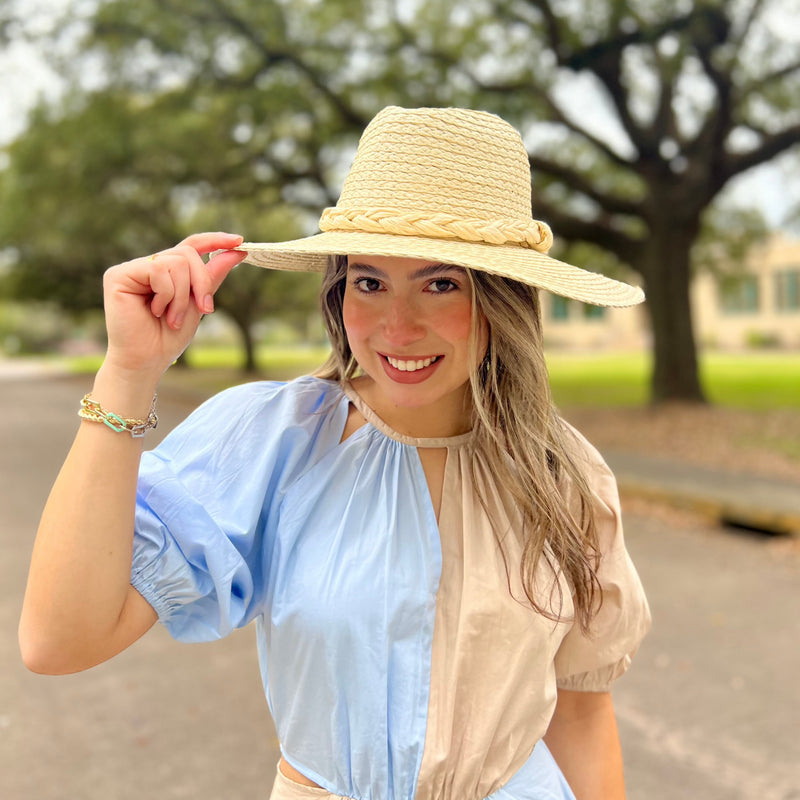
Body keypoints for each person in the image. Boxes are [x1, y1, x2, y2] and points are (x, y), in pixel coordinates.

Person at [20, 106, 651, 800]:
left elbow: (583, 713)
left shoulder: (566, 472)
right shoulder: (276, 438)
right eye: (369, 281)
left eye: (442, 283)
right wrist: (129, 373)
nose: (395, 326)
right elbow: (58, 642)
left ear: (504, 299)